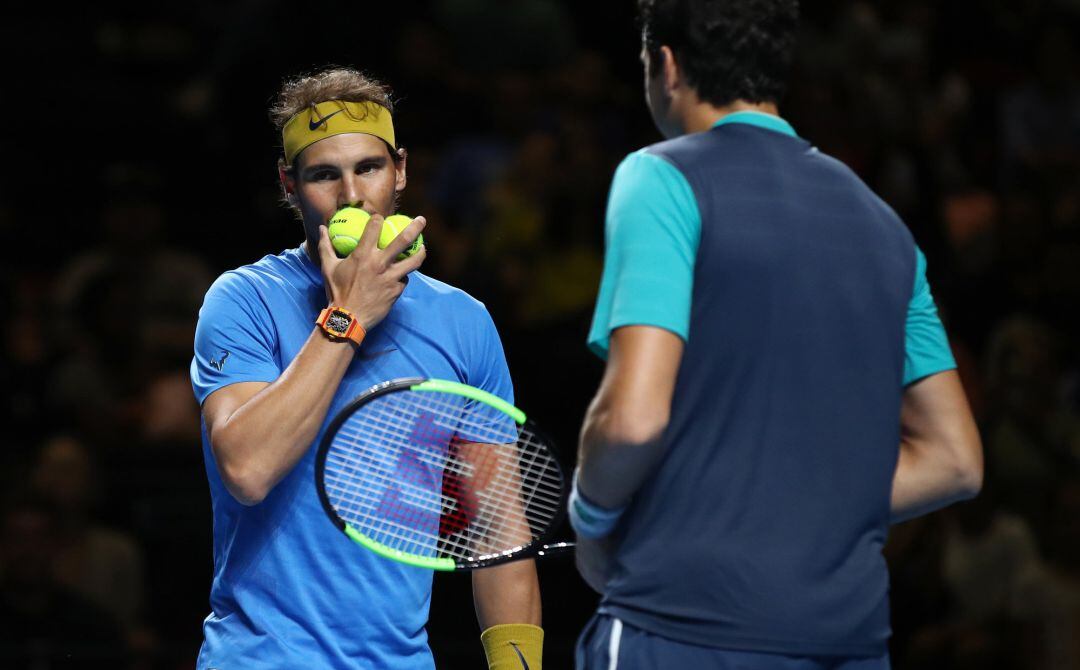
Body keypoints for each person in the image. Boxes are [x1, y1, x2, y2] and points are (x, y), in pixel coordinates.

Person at [569, 1, 984, 668]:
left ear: (667, 66)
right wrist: (805, 504)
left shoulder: (659, 177)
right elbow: (955, 459)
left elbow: (632, 420)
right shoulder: (884, 227)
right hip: (847, 641)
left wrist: (592, 519)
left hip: (684, 623)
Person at [190, 67, 542, 670]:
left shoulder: (464, 322)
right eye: (324, 174)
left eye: (369, 168)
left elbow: (498, 533)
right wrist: (349, 316)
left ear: (400, 171)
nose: (352, 195)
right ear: (289, 184)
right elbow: (247, 469)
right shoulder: (243, 300)